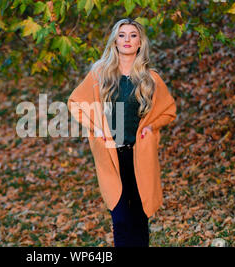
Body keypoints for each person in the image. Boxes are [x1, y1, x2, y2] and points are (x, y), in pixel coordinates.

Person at [67, 18, 177, 247]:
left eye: (133, 35)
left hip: (139, 155)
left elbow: (168, 111)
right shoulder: (100, 75)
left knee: (139, 216)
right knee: (120, 217)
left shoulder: (150, 79)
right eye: (122, 35)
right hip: (110, 155)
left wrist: (150, 126)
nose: (127, 39)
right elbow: (76, 103)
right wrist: (96, 126)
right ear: (114, 42)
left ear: (140, 43)